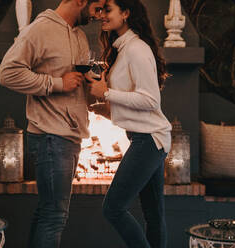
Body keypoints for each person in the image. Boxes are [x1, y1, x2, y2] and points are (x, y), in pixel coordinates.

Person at [0, 0, 105, 247]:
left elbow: (75, 82)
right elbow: (7, 73)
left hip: (68, 136)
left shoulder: (78, 35)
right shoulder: (39, 29)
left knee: (48, 212)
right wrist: (56, 83)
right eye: (96, 8)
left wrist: (93, 82)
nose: (99, 16)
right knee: (55, 216)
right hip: (50, 137)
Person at [85, 0, 172, 247]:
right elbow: (134, 106)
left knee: (113, 208)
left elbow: (150, 100)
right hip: (147, 137)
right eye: (100, 10)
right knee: (154, 216)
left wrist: (106, 93)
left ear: (125, 13)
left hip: (149, 140)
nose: (102, 15)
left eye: (108, 10)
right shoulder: (123, 48)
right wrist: (102, 109)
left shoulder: (136, 49)